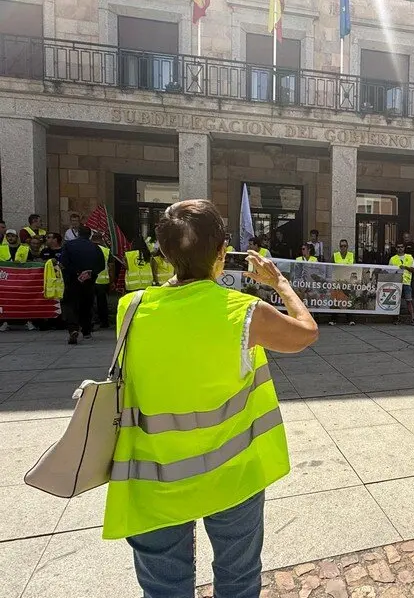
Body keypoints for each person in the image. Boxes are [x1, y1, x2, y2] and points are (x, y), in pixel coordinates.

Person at [102, 199, 317, 598]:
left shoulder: (130, 308)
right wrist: (280, 283)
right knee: (237, 580)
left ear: (164, 253)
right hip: (231, 475)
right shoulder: (243, 312)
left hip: (155, 478)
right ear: (222, 253)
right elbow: (305, 332)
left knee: (164, 588)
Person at [60, 226, 105, 344]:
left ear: (78, 233)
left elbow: (63, 263)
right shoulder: (95, 248)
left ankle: (73, 329)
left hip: (72, 280)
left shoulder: (69, 246)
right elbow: (101, 265)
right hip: (89, 281)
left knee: (71, 304)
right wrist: (89, 273)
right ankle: (86, 331)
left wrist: (76, 273)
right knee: (86, 305)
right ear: (90, 235)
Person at [330, 240, 356, 326]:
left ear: (347, 247)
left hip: (348, 282)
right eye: (341, 246)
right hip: (337, 281)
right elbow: (331, 267)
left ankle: (350, 319)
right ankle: (333, 319)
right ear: (339, 247)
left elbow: (355, 267)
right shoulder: (335, 255)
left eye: (345, 246)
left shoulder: (351, 255)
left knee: (348, 299)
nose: (343, 248)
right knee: (336, 299)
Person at [89, 232, 112, 329]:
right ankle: (104, 322)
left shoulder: (87, 250)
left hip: (89, 280)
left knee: (89, 302)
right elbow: (111, 267)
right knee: (102, 302)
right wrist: (112, 280)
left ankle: (91, 321)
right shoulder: (106, 251)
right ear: (101, 240)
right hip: (103, 281)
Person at [389, 242, 414, 326]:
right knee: (396, 301)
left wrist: (405, 267)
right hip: (396, 282)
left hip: (406, 282)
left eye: (401, 247)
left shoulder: (409, 257)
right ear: (396, 248)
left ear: (404, 248)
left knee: (409, 301)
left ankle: (413, 319)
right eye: (398, 247)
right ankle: (396, 319)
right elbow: (389, 271)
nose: (400, 248)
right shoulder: (392, 259)